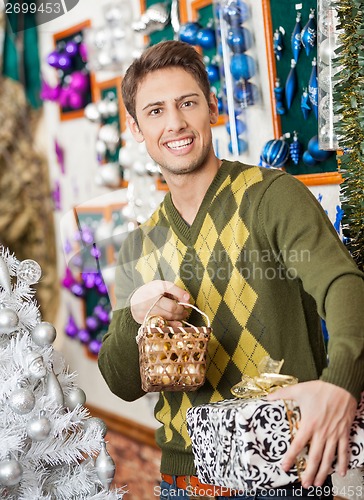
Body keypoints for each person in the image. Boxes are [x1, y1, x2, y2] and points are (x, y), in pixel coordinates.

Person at [98, 40, 364, 500]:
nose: (176, 123)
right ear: (135, 128)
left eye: (187, 103)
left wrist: (342, 385)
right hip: (180, 481)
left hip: (280, 475)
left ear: (213, 109)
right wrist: (135, 317)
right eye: (156, 111)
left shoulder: (271, 196)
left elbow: (344, 285)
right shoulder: (139, 246)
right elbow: (121, 382)